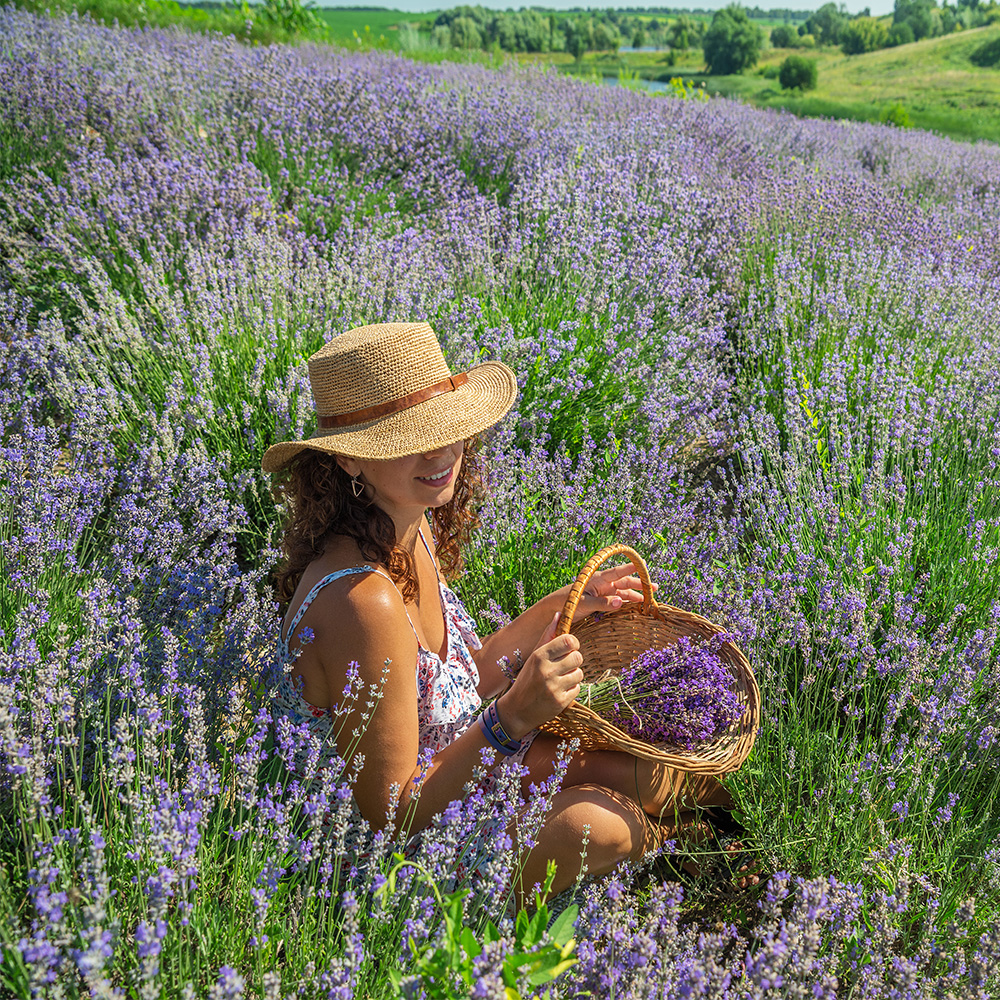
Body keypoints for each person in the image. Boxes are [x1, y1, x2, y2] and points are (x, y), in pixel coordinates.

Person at [263, 322, 739, 906]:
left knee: (648, 776)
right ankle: (683, 854)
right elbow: (391, 817)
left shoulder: (406, 530)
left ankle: (710, 841)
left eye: (445, 429)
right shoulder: (363, 600)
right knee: (596, 826)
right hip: (402, 861)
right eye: (408, 439)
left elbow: (466, 677)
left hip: (462, 769)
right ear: (350, 463)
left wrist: (566, 604)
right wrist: (512, 717)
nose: (440, 452)